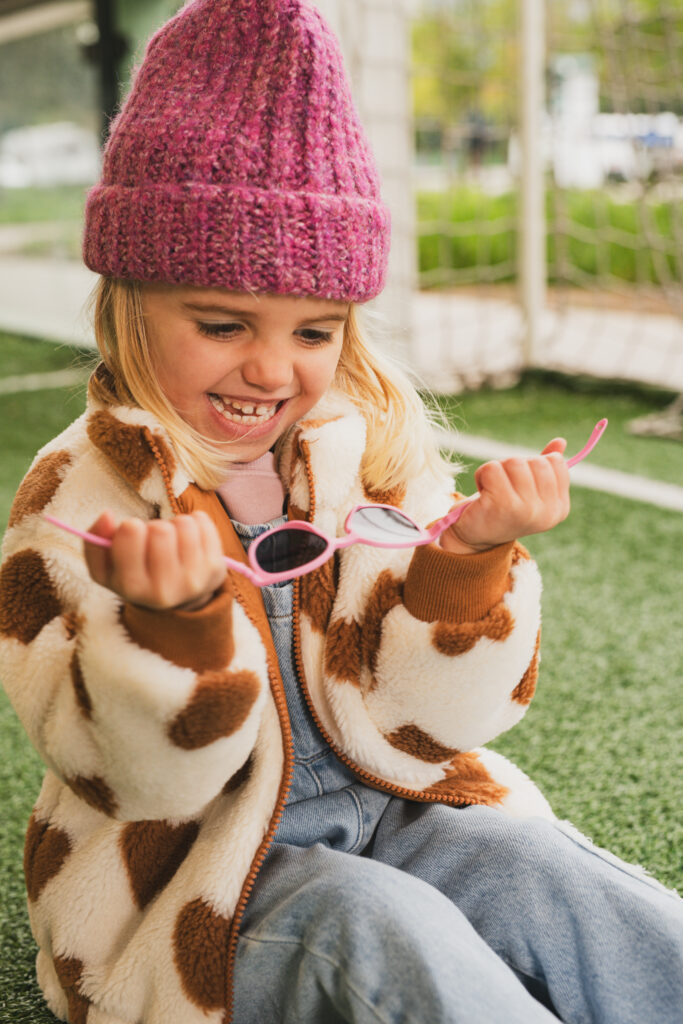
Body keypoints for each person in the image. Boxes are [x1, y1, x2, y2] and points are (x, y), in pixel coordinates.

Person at [0, 2, 681, 1022]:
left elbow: (440, 725)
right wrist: (172, 627)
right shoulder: (74, 498)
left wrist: (471, 558)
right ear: (127, 295)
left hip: (398, 811)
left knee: (533, 865)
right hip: (196, 882)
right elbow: (137, 781)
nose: (271, 369)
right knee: (368, 926)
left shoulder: (366, 449)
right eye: (222, 322)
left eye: (314, 330)